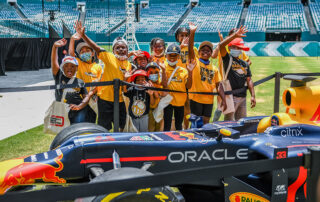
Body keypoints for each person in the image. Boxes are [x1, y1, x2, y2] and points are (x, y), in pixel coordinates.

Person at [74, 20, 131, 131]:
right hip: (105, 100)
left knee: (122, 127)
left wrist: (125, 79)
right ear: (113, 50)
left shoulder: (129, 64)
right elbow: (95, 47)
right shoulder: (109, 57)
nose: (121, 49)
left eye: (123, 47)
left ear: (127, 49)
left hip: (120, 101)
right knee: (103, 128)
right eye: (117, 47)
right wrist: (83, 36)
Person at [188, 22, 227, 124]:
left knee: (206, 123)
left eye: (208, 50)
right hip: (196, 99)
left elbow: (219, 85)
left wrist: (224, 99)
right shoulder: (195, 62)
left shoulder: (214, 68)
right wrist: (192, 32)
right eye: (203, 50)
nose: (205, 52)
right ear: (199, 52)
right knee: (196, 123)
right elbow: (190, 48)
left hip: (209, 100)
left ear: (211, 53)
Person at [51, 38, 93, 124]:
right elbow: (54, 62)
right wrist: (55, 47)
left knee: (77, 130)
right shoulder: (59, 76)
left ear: (76, 68)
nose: (69, 68)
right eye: (66, 66)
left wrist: (79, 106)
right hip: (62, 110)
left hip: (78, 111)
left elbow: (86, 97)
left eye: (72, 66)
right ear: (62, 67)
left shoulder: (80, 82)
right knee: (62, 132)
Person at [219, 26, 256, 121]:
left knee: (242, 123)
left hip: (243, 97)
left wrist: (253, 95)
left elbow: (249, 79)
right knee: (229, 124)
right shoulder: (227, 59)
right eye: (236, 47)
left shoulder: (244, 63)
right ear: (230, 47)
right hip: (231, 97)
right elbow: (221, 46)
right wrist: (235, 35)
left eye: (240, 48)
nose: (238, 49)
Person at [68, 32, 102, 123]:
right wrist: (72, 40)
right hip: (80, 98)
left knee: (92, 121)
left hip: (93, 99)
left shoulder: (98, 67)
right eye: (82, 52)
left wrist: (92, 93)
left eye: (87, 51)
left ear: (93, 54)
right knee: (80, 121)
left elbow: (99, 83)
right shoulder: (79, 63)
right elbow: (71, 55)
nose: (85, 53)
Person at [161, 43, 195, 131]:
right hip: (168, 101)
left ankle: (179, 143)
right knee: (167, 124)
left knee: (179, 124)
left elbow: (188, 86)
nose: (172, 57)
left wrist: (190, 72)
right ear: (166, 56)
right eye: (170, 55)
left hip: (180, 102)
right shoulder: (163, 67)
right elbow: (164, 85)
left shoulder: (183, 70)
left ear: (179, 57)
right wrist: (164, 71)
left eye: (175, 55)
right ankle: (166, 142)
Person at [175, 27, 198, 129]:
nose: (184, 37)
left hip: (189, 79)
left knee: (188, 104)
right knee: (177, 104)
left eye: (186, 35)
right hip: (177, 80)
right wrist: (180, 47)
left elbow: (193, 59)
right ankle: (178, 125)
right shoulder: (175, 48)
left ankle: (186, 126)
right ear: (177, 37)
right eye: (181, 35)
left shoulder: (193, 49)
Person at [146, 62, 164, 131]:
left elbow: (157, 96)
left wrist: (153, 87)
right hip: (150, 110)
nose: (153, 74)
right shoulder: (146, 84)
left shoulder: (159, 84)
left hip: (158, 109)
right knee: (151, 128)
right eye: (151, 73)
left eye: (156, 72)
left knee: (158, 128)